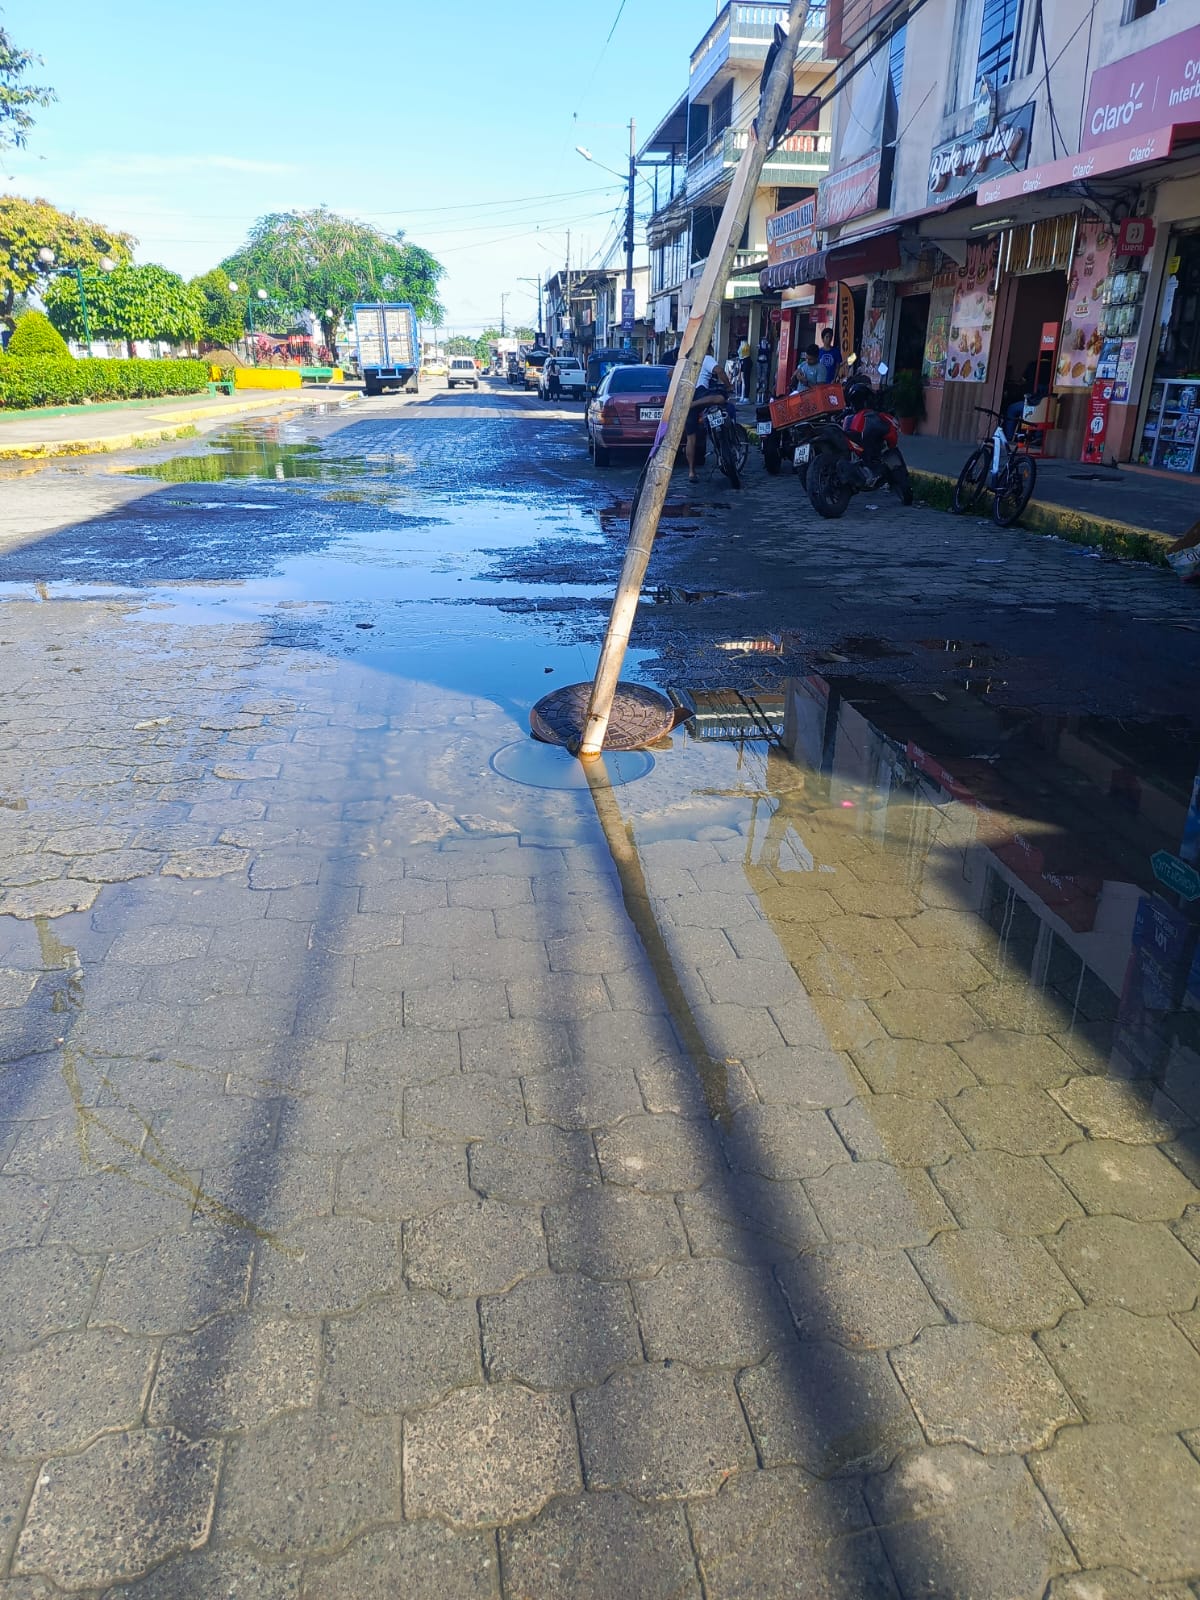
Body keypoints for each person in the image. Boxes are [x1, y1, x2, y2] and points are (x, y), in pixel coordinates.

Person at [684, 354, 732, 483]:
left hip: (686, 396)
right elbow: (719, 370)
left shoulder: (684, 362)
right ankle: (694, 404)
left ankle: (691, 472)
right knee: (721, 398)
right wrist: (728, 386)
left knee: (690, 438)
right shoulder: (705, 358)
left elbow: (670, 373)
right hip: (700, 393)